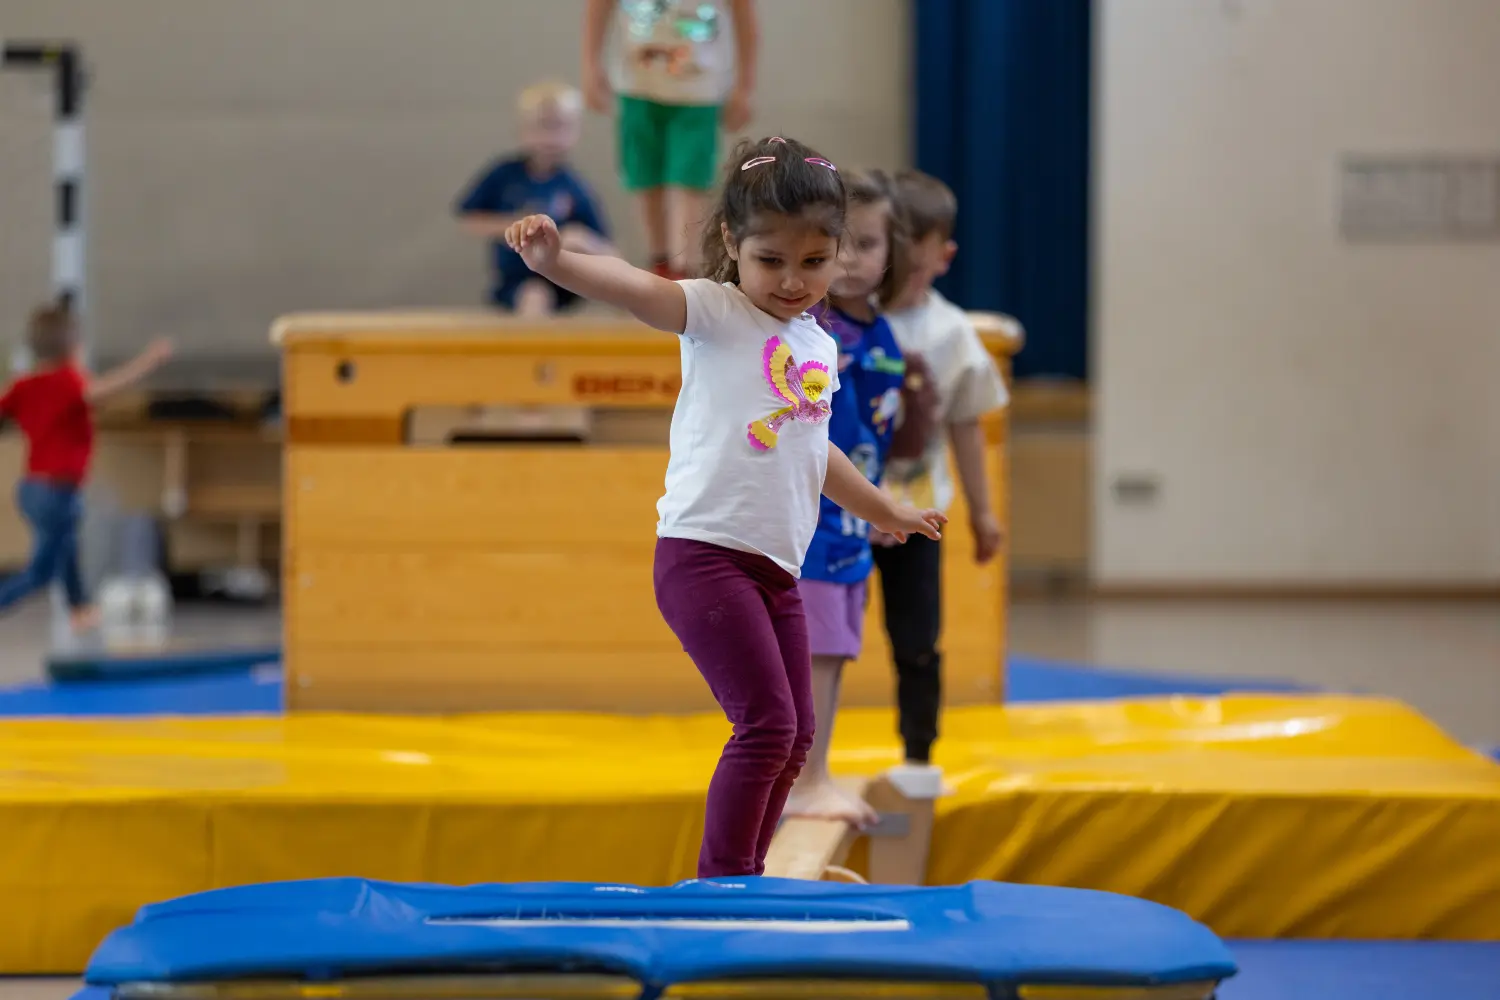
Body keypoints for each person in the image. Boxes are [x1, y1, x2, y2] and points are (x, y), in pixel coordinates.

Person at [503, 136, 945, 878]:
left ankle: (747, 868)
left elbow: (817, 449)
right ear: (732, 243)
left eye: (814, 262)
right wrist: (555, 264)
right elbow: (633, 287)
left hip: (775, 567)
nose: (794, 281)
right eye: (772, 260)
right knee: (767, 724)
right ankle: (726, 880)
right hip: (704, 556)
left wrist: (884, 509)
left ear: (838, 254)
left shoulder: (814, 340)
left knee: (796, 734)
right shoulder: (716, 312)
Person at [784, 169, 914, 826]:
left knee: (832, 649)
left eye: (870, 245)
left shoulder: (882, 334)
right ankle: (806, 780)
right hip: (814, 526)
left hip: (850, 525)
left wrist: (878, 504)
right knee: (817, 651)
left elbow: (871, 435)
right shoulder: (816, 331)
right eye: (844, 245)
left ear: (895, 251)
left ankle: (810, 773)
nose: (856, 261)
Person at [876, 170, 1010, 767]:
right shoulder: (843, 319)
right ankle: (803, 755)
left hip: (915, 511)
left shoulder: (951, 333)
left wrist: (983, 511)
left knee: (917, 638)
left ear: (943, 255)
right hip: (841, 514)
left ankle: (919, 753)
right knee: (820, 635)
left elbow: (965, 424)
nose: (901, 261)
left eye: (915, 249)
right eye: (890, 244)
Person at [0, 303, 173, 629]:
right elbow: (105, 389)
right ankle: (74, 606)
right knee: (41, 571)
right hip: (57, 490)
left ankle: (80, 609)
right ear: (73, 347)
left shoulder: (24, 385)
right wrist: (148, 361)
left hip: (30, 490)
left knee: (66, 547)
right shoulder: (67, 380)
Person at [582, 0, 759, 279]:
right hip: (637, 85)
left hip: (697, 90)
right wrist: (591, 65)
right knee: (644, 178)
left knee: (689, 181)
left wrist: (744, 87)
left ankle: (683, 269)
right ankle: (660, 263)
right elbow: (598, 6)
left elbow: (745, 18)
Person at [456, 81, 614, 316]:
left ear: (575, 132)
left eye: (560, 127)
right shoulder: (504, 175)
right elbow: (469, 220)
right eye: (543, 126)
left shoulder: (574, 187)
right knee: (534, 295)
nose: (550, 137)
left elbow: (608, 251)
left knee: (586, 255)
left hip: (560, 278)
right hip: (518, 278)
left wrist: (578, 241)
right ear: (522, 130)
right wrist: (518, 227)